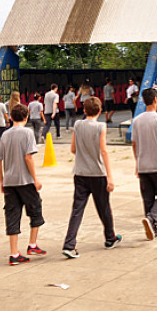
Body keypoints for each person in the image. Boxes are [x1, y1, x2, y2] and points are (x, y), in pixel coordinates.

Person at [62, 97, 122, 258]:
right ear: (100, 111)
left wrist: (84, 155)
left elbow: (73, 149)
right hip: (97, 173)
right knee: (103, 207)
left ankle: (69, 244)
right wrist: (110, 176)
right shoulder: (101, 126)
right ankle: (110, 238)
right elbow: (104, 151)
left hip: (80, 173)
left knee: (77, 209)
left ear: (84, 110)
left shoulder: (78, 125)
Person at [0, 103, 45, 265]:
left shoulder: (5, 135)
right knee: (35, 209)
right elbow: (28, 157)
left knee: (12, 214)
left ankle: (14, 253)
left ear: (10, 117)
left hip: (9, 181)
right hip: (24, 180)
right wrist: (35, 178)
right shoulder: (27, 133)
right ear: (26, 116)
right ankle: (32, 244)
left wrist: (2, 180)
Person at [131, 87, 157, 240]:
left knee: (147, 197)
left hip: (143, 165)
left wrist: (137, 163)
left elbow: (134, 144)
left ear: (143, 100)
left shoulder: (137, 120)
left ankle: (152, 229)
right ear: (156, 99)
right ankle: (151, 219)